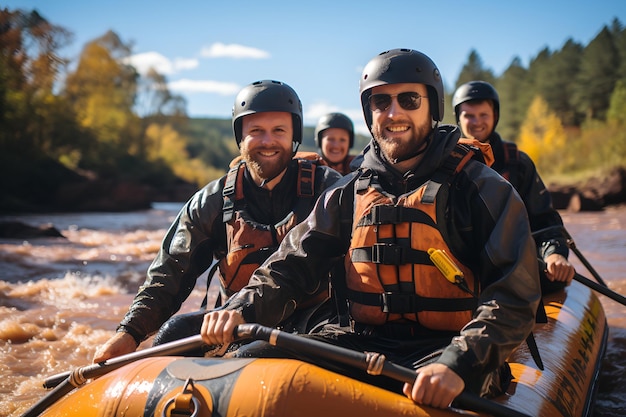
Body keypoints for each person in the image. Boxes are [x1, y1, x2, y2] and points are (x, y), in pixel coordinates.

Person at [200, 49, 541, 409]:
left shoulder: (482, 189)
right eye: (381, 102)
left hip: (450, 347)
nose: (394, 113)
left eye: (409, 100)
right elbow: (292, 266)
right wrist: (241, 308)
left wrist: (459, 363)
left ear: (432, 107)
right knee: (250, 363)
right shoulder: (348, 192)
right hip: (359, 343)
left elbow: (513, 296)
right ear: (369, 113)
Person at [93, 79, 342, 362]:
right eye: (256, 131)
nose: (267, 141)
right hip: (236, 321)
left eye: (278, 131)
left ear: (293, 136)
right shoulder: (211, 200)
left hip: (315, 322)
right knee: (173, 332)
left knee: (252, 354)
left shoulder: (328, 189)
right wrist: (129, 332)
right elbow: (170, 272)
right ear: (240, 138)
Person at [452, 80, 575, 292]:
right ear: (459, 119)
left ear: (495, 116)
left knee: (551, 281)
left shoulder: (518, 163)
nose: (477, 122)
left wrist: (553, 254)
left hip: (514, 264)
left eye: (483, 115)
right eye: (469, 116)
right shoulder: (446, 164)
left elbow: (545, 221)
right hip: (463, 270)